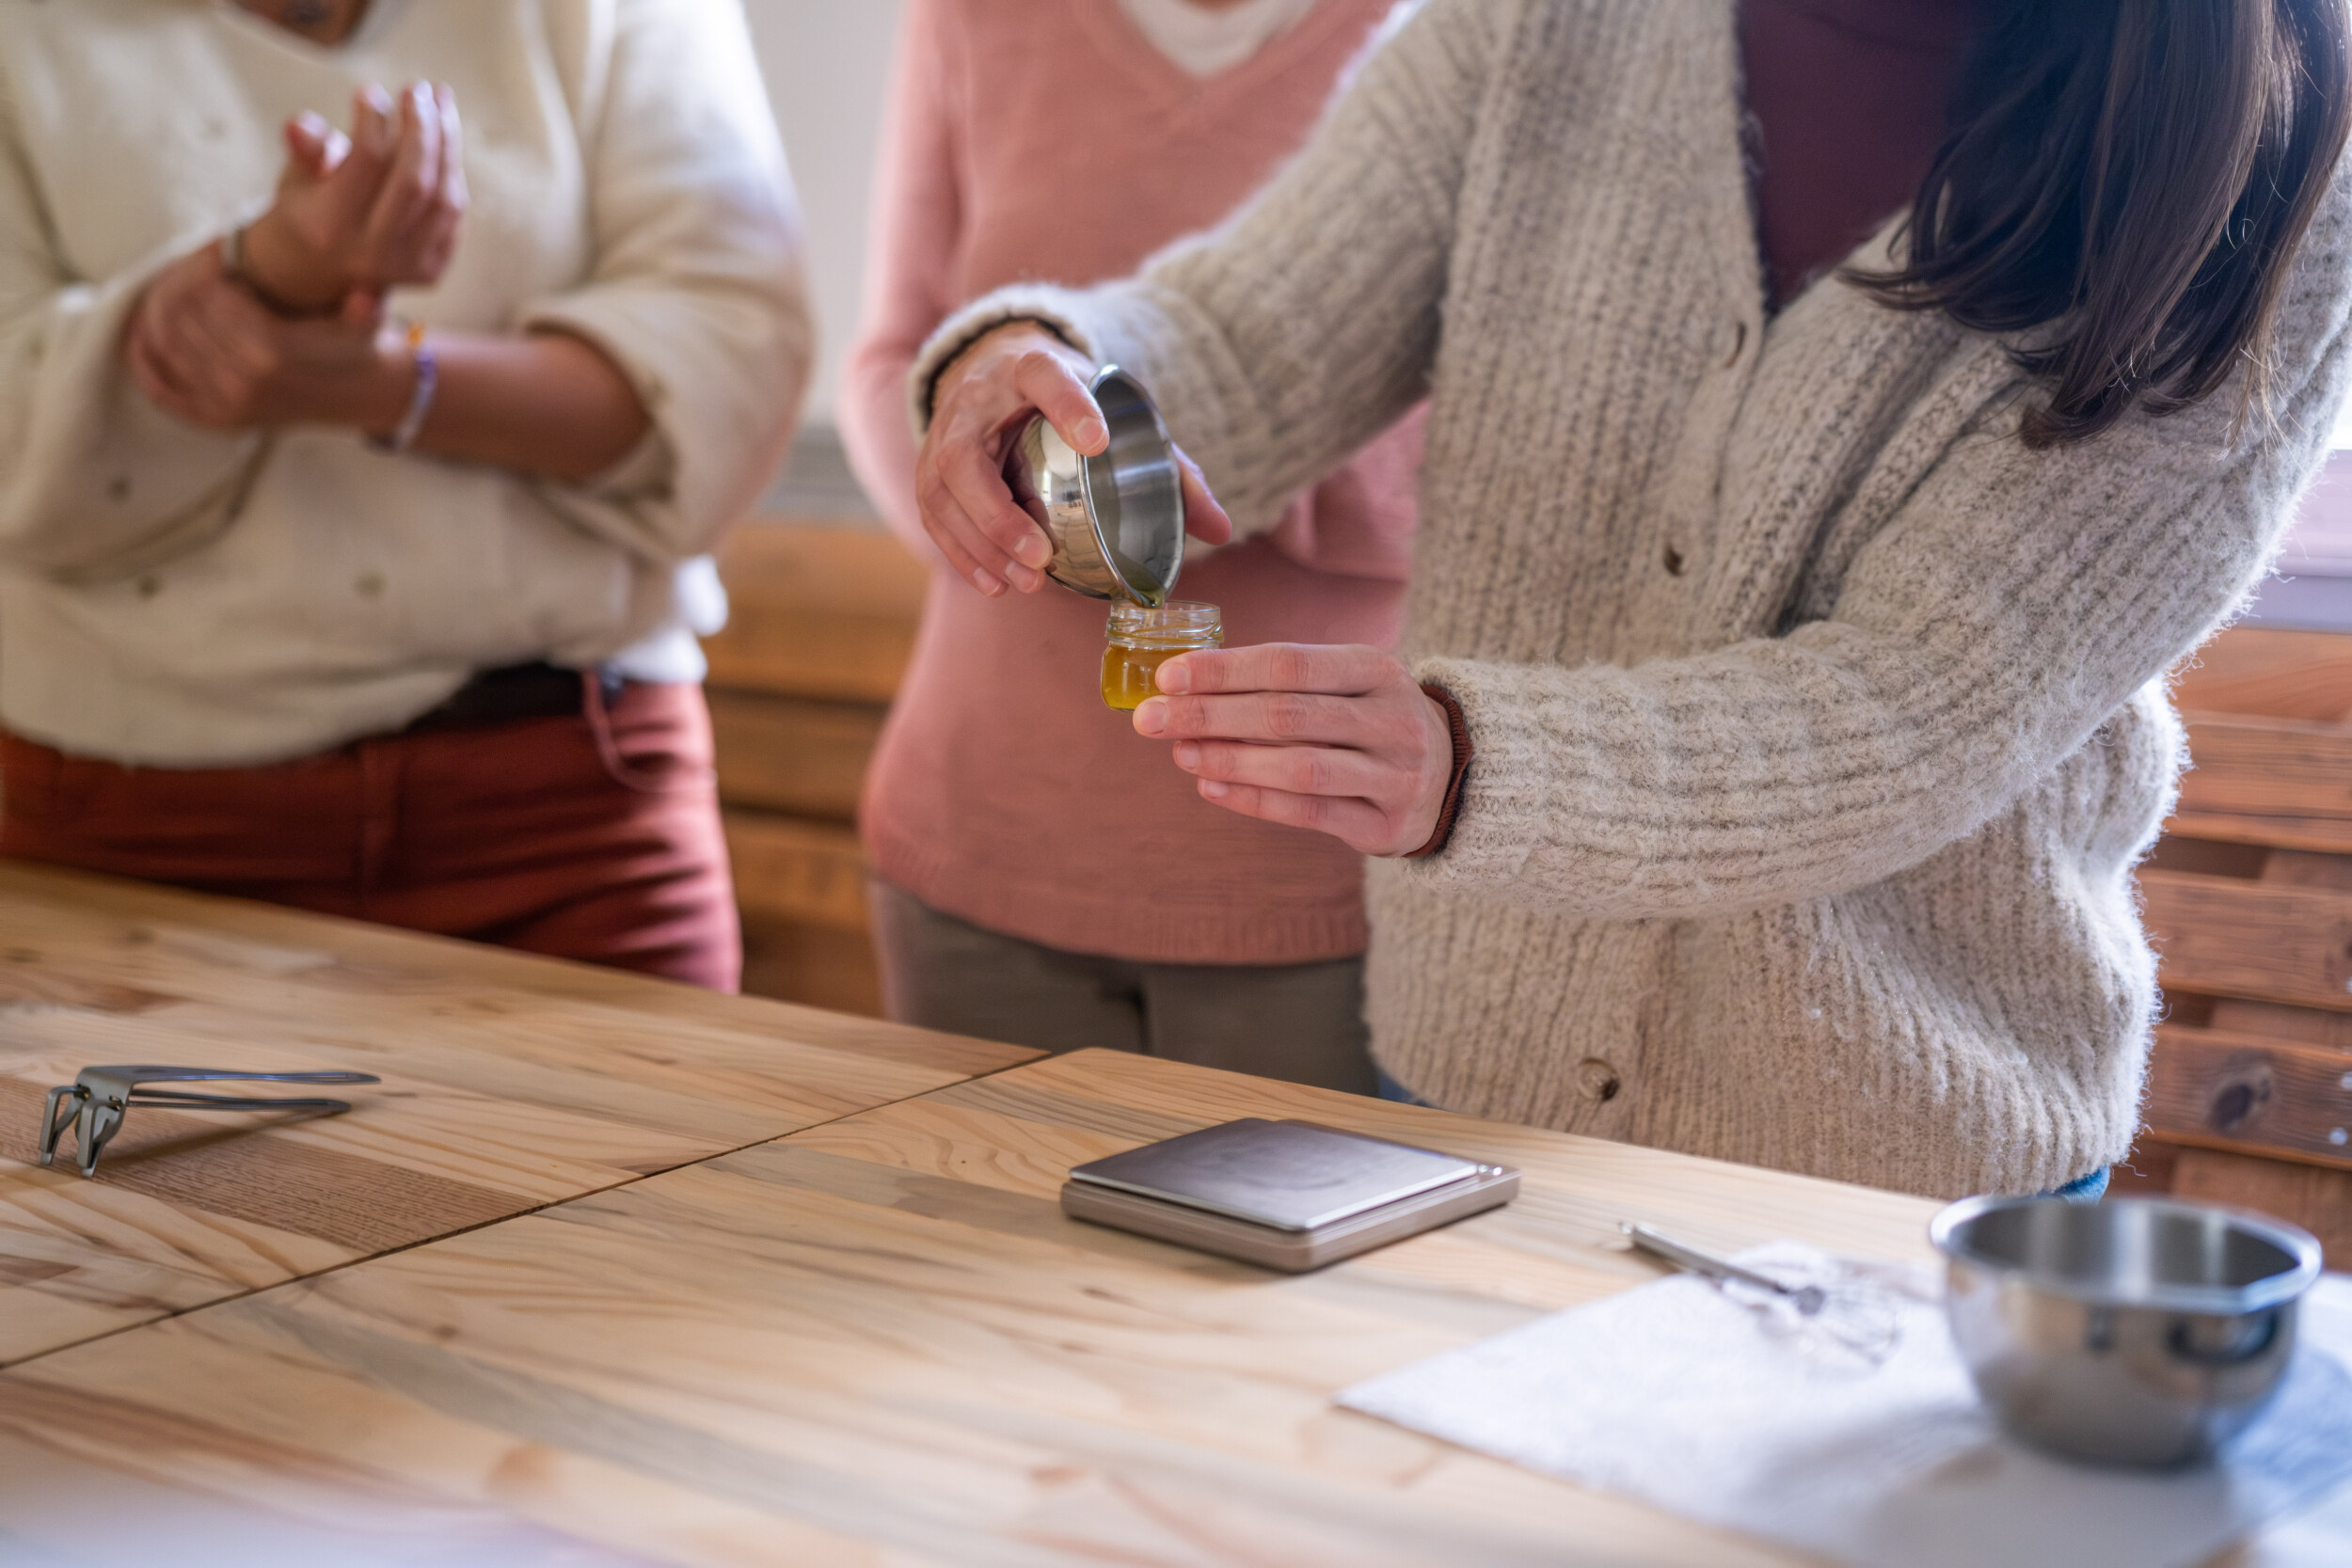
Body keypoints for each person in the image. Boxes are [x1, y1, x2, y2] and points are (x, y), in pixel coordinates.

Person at [906, 0, 2352, 1197]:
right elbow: (1246, 334)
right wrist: (1045, 371)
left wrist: (1474, 762)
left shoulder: (2279, 163)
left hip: (1901, 1171)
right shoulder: (1541, 23)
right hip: (1474, 1090)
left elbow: (1925, 699)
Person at [0, 0, 812, 991]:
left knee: (671, 1155)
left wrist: (379, 383)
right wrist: (263, 280)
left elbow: (732, 361)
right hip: (130, 814)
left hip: (565, 802)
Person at [840, 0, 1424, 1089]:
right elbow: (892, 359)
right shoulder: (970, 18)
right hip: (980, 829)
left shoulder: (1450, 35)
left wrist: (1157, 477)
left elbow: (1502, 440)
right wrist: (992, 490)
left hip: (1309, 860)